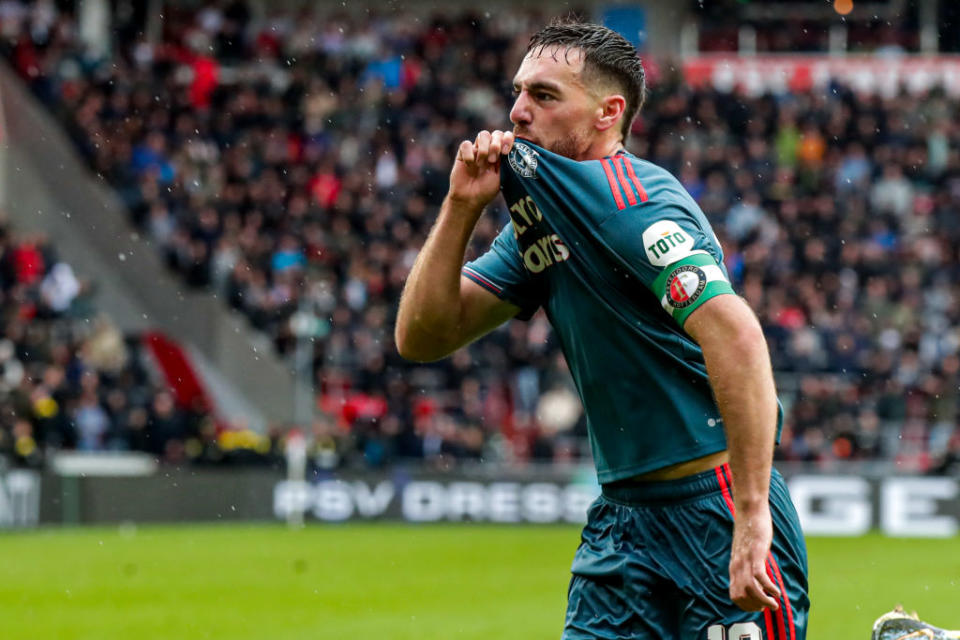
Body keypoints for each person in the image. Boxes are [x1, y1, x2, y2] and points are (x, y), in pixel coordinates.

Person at [395, 18, 809, 640]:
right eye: (518, 92)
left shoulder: (635, 203)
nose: (517, 113)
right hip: (622, 522)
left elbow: (738, 338)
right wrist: (460, 207)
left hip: (716, 505)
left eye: (544, 95)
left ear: (607, 113)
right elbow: (422, 337)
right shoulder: (541, 220)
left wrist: (751, 520)